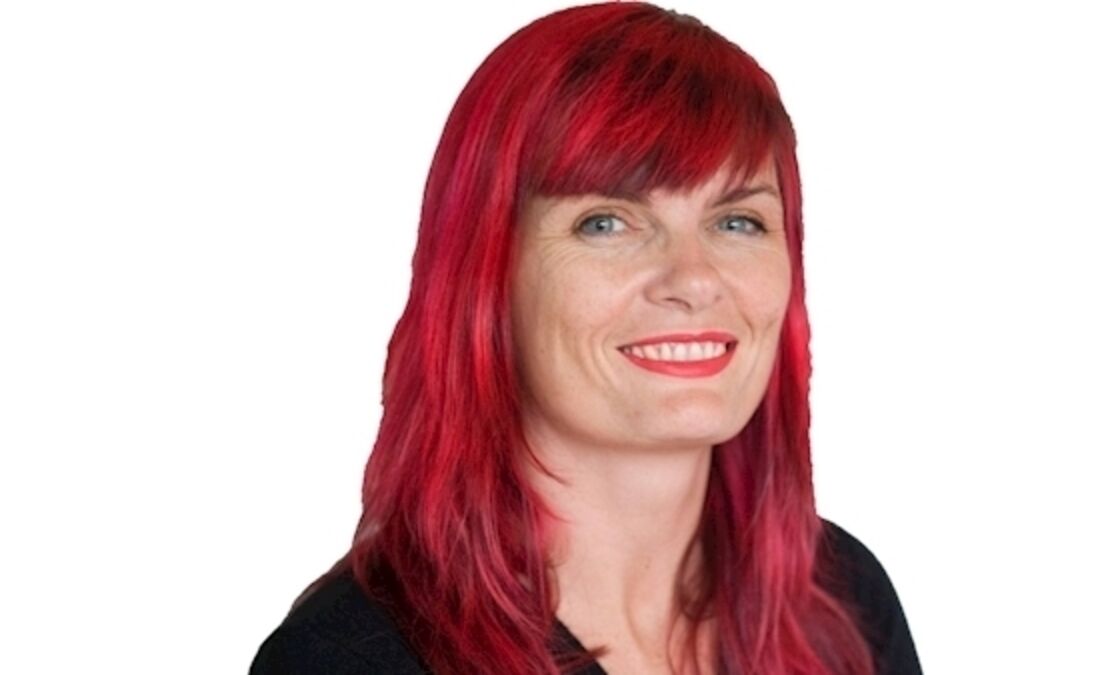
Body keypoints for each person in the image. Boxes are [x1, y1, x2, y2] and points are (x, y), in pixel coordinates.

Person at [250, 3, 922, 674]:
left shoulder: (842, 603)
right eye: (606, 222)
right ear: (486, 274)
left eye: (737, 221)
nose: (694, 279)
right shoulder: (349, 659)